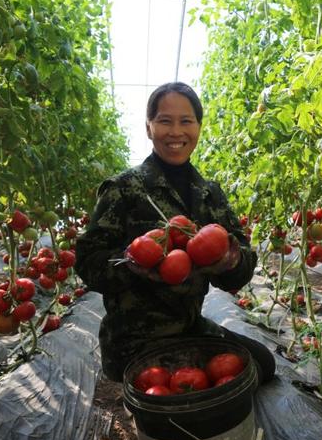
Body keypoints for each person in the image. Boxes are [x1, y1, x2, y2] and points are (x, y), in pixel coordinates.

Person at [75, 82, 275, 385]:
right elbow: (88, 262)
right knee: (184, 403)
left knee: (262, 363)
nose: (176, 132)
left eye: (186, 121)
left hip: (190, 327)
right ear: (148, 127)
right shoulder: (124, 189)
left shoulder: (209, 194)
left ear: (198, 126)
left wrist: (230, 262)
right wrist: (134, 266)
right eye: (165, 121)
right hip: (135, 338)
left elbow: (242, 264)